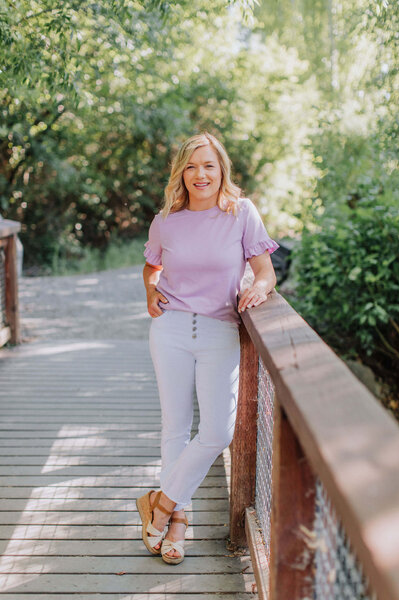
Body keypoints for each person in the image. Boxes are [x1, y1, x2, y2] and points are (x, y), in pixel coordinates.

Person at [136, 132, 279, 565]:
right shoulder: (167, 219)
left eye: (209, 166)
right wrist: (149, 290)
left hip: (220, 330)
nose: (201, 174)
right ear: (181, 172)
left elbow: (266, 272)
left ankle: (160, 504)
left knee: (217, 431)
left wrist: (258, 287)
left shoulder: (241, 213)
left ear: (222, 170)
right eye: (192, 166)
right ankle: (178, 521)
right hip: (171, 330)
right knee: (175, 429)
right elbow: (151, 265)